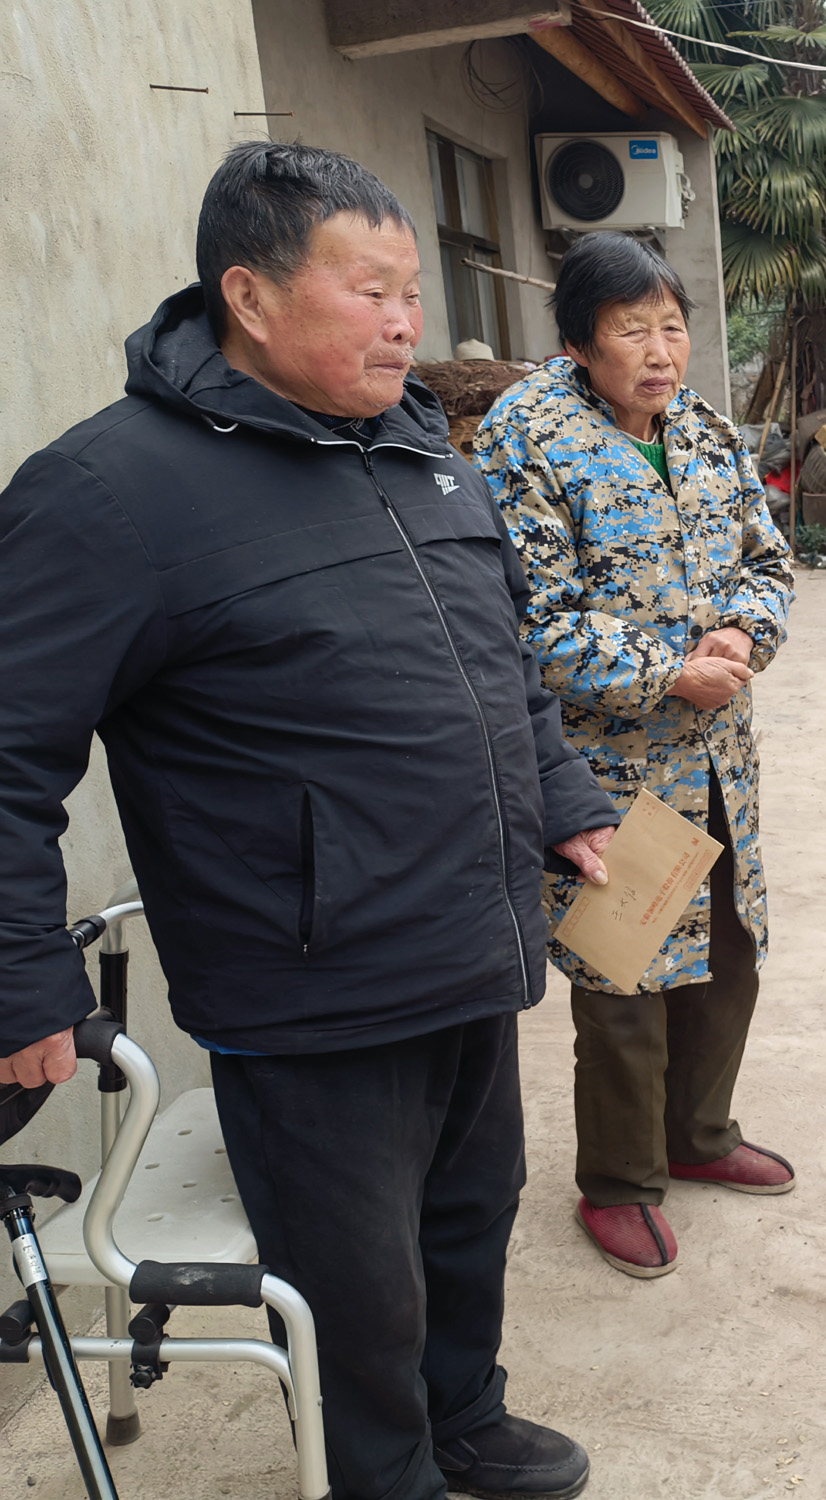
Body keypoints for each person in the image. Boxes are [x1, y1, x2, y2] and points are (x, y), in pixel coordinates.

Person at [0, 142, 618, 1499]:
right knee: (355, 1280)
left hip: (472, 942)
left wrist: (566, 801)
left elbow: (499, 667)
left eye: (412, 292)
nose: (405, 322)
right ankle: (383, 1475)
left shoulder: (417, 451)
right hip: (314, 985)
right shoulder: (109, 492)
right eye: (368, 291)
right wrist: (19, 974)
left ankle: (464, 1416)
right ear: (252, 296)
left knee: (470, 1215)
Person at [477, 233, 795, 1280]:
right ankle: (618, 1182)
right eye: (631, 331)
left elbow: (766, 560)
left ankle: (696, 1136)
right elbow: (528, 623)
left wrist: (742, 633)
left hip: (719, 755)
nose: (660, 352)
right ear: (578, 342)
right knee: (625, 972)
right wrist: (668, 675)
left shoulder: (702, 429)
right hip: (608, 770)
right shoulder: (527, 437)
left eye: (671, 326)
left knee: (728, 950)